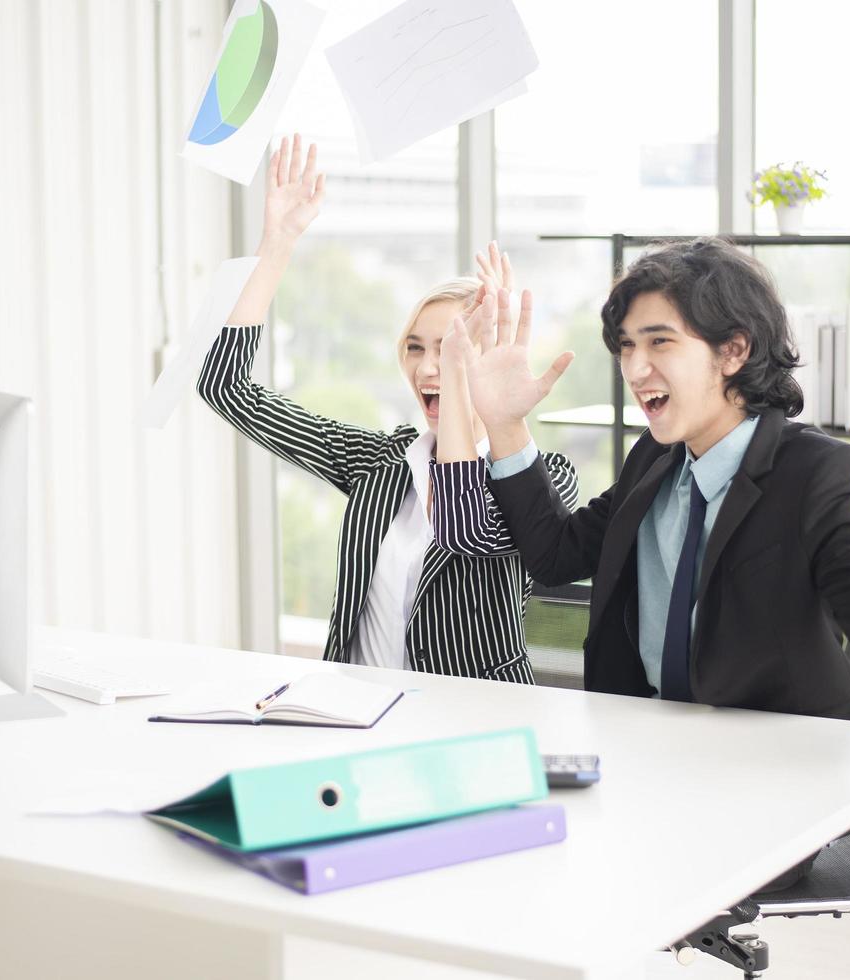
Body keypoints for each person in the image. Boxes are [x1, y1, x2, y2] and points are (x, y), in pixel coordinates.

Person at [430, 236, 850, 720]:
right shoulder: (656, 458)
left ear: (733, 351)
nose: (634, 370)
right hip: (653, 748)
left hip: (784, 776)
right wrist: (503, 421)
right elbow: (555, 555)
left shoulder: (817, 474)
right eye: (627, 346)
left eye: (660, 342)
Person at [196, 135, 578, 682]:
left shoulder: (545, 479)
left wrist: (466, 374)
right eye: (416, 347)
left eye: (448, 348)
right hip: (358, 715)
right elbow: (226, 388)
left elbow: (466, 526)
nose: (429, 368)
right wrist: (276, 245)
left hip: (471, 724)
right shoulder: (377, 461)